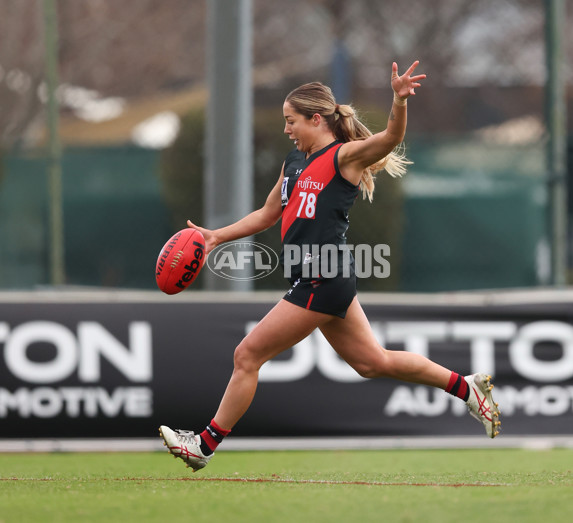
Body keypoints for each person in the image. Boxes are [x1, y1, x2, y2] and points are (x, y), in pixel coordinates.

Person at [159, 60, 501, 472]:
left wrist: (398, 99)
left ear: (316, 118)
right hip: (317, 276)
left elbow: (392, 136)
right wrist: (215, 237)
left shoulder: (344, 158)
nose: (286, 129)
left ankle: (204, 445)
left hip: (324, 275)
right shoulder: (294, 163)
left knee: (247, 354)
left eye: (292, 121)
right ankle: (468, 388)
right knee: (373, 362)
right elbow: (268, 214)